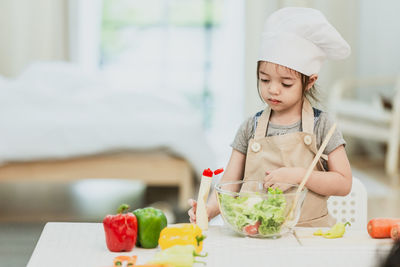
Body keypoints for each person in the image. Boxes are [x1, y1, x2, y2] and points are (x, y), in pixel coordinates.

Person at [188, 7, 352, 227]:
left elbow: (343, 183)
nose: (273, 90)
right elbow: (229, 183)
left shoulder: (323, 125)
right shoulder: (251, 127)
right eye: (264, 80)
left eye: (286, 83)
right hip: (256, 236)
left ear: (310, 81)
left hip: (310, 235)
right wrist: (208, 210)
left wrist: (297, 175)